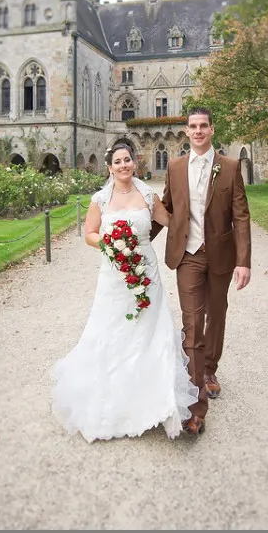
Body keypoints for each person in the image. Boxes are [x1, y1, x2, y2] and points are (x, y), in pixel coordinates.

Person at [50, 139, 200, 442]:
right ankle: (112, 398)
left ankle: (158, 400)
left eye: (127, 160)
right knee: (111, 329)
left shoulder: (148, 195)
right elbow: (90, 234)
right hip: (114, 275)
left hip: (148, 271)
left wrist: (199, 231)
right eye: (117, 162)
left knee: (150, 329)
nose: (123, 166)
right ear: (109, 167)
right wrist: (111, 244)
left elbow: (172, 222)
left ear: (135, 162)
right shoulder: (100, 199)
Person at [150, 107, 252, 436]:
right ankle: (195, 406)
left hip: (220, 254)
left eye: (203, 126)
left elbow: (241, 215)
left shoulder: (230, 167)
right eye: (193, 126)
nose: (198, 131)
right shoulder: (175, 166)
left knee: (216, 314)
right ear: (186, 131)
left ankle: (209, 369)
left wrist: (244, 260)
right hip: (188, 255)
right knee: (193, 324)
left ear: (211, 130)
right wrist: (138, 239)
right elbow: (167, 207)